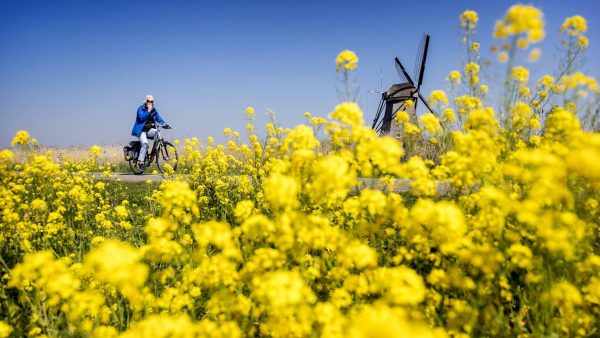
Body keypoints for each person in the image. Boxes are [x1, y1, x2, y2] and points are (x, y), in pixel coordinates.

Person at [131, 95, 170, 170]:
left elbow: (159, 119)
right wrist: (148, 110)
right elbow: (141, 118)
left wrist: (165, 125)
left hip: (149, 130)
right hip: (141, 131)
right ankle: (141, 162)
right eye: (148, 101)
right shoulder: (140, 109)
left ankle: (157, 149)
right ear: (145, 101)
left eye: (151, 101)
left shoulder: (154, 110)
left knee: (158, 133)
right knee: (145, 143)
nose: (150, 103)